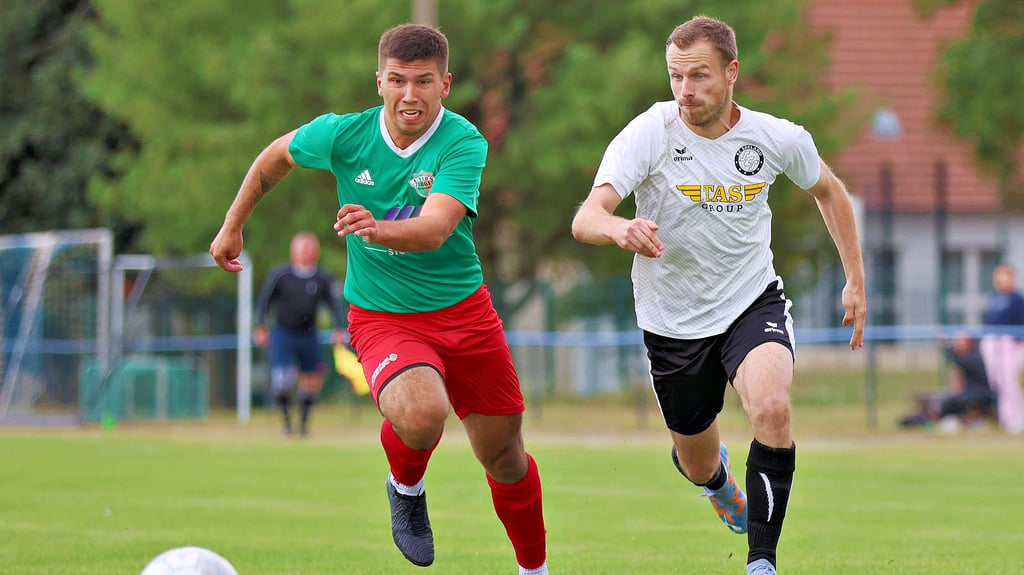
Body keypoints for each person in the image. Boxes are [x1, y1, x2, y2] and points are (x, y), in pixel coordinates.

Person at [209, 24, 548, 574]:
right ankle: (405, 486)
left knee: (506, 458)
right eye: (397, 81)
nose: (409, 95)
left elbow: (436, 227)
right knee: (422, 412)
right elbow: (274, 157)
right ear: (379, 82)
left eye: (423, 82)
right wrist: (232, 227)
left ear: (446, 84)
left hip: (465, 313)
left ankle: (535, 570)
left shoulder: (463, 141)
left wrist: (375, 228)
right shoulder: (344, 134)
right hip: (384, 316)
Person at [570, 15, 866, 575]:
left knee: (773, 408)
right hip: (672, 322)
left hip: (751, 301)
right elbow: (587, 217)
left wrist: (855, 278)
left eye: (699, 76)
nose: (685, 91)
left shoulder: (775, 137)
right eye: (676, 77)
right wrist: (618, 229)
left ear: (732, 73)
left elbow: (831, 192)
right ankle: (717, 481)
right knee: (697, 461)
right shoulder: (649, 133)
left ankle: (761, 561)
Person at [253, 231, 348, 436]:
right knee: (284, 380)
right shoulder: (280, 274)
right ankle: (287, 422)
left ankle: (304, 425)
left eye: (310, 248)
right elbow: (264, 301)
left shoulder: (323, 277)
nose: (306, 252)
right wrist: (260, 327)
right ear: (293, 251)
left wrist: (340, 329)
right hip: (283, 334)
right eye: (302, 248)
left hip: (309, 334)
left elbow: (333, 305)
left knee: (312, 381)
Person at [899, 334, 995, 429]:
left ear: (970, 343)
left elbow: (958, 358)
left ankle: (925, 417)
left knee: (949, 402)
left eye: (960, 343)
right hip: (967, 394)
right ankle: (919, 418)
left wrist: (946, 346)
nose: (957, 346)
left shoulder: (974, 357)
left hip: (979, 395)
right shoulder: (968, 357)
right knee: (943, 398)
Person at [979, 264, 1024, 434]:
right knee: (1000, 383)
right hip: (994, 343)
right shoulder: (994, 297)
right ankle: (1005, 417)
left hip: (1012, 344)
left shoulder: (1017, 299)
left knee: (1010, 381)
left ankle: (1018, 417)